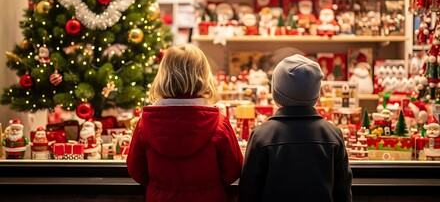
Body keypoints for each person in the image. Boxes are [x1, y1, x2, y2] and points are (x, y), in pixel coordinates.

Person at [127, 44, 243, 202]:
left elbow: (137, 171)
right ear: (203, 75)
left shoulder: (145, 124)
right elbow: (233, 171)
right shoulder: (219, 124)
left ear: (163, 75)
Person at [238, 54, 353, 202]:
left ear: (276, 93)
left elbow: (248, 192)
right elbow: (343, 191)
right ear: (316, 95)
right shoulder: (333, 134)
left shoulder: (261, 135)